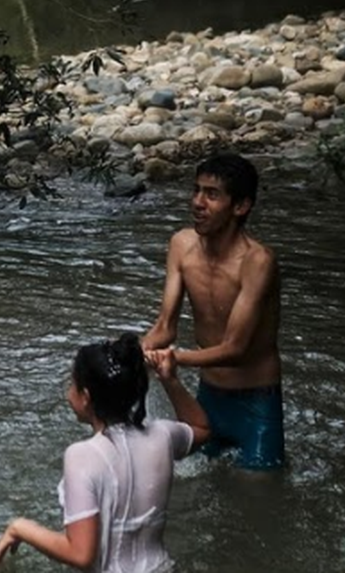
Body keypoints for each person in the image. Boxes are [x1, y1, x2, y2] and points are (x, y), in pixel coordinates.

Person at [0, 333, 209, 572]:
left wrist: (21, 528)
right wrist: (170, 380)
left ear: (86, 398)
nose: (68, 390)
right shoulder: (163, 435)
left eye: (72, 383)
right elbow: (201, 428)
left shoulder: (82, 455)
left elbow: (82, 555)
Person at [141, 153, 285, 471]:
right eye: (196, 190)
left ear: (241, 206)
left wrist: (174, 358)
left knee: (258, 494)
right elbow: (165, 326)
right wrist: (136, 352)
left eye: (212, 194)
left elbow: (236, 348)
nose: (197, 202)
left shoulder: (257, 262)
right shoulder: (181, 245)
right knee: (199, 488)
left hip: (257, 402)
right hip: (208, 397)